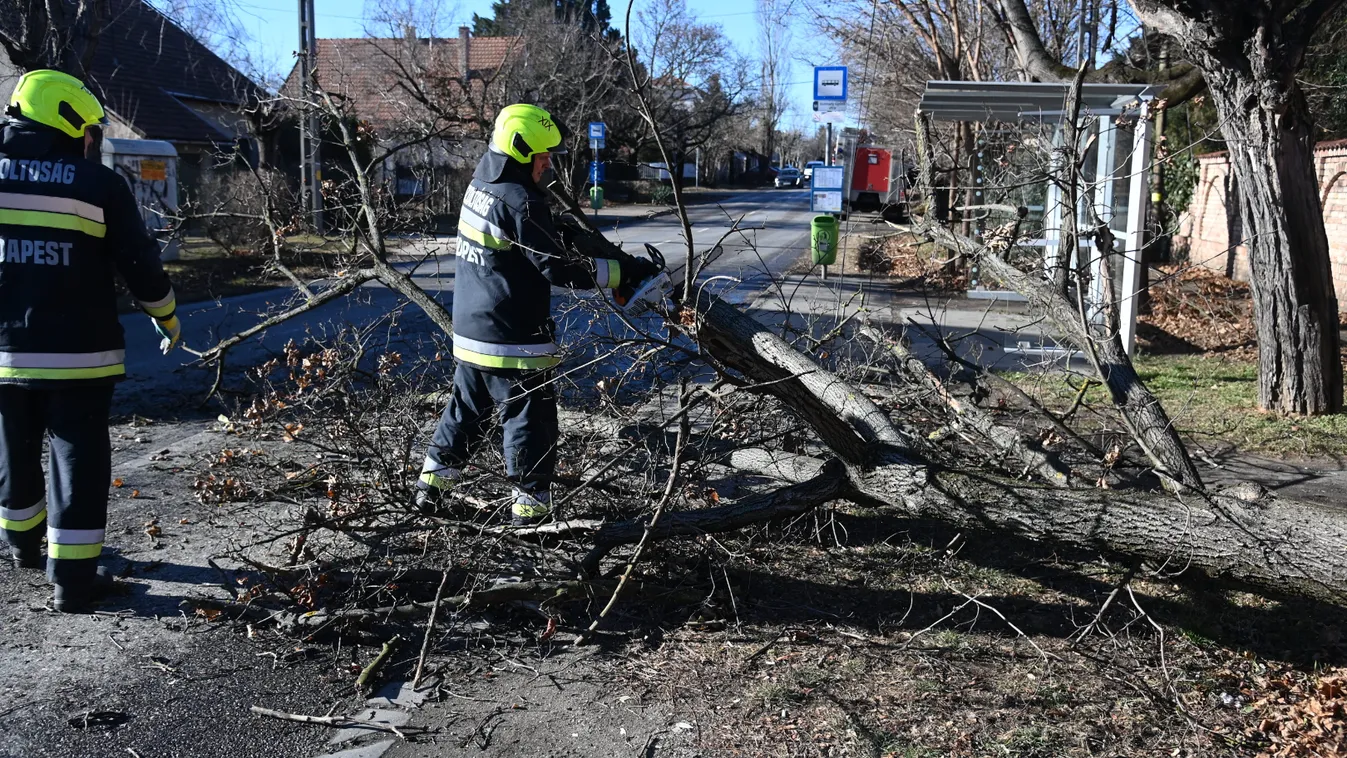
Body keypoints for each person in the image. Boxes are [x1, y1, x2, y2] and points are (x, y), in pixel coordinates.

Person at [416, 103, 658, 525]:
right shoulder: (520, 202)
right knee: (531, 421)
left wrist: (557, 226)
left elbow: (520, 238)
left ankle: (429, 491)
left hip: (473, 330)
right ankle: (531, 513)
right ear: (521, 150)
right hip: (512, 335)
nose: (548, 163)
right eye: (543, 156)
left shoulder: (481, 184)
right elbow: (558, 268)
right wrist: (624, 272)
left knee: (464, 412)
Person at [0, 70, 180, 612]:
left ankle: (22, 547)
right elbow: (138, 262)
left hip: (3, 352)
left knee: (12, 448)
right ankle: (73, 581)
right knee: (77, 454)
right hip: (79, 352)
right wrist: (167, 316)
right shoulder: (96, 184)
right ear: (69, 121)